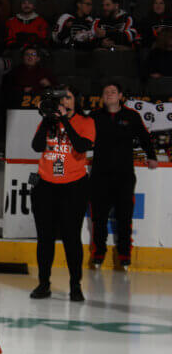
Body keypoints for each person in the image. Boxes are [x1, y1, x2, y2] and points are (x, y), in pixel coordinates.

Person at [30, 85, 95, 301]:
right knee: (45, 238)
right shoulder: (48, 121)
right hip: (45, 185)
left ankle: (75, 285)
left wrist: (65, 120)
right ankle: (43, 283)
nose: (64, 101)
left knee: (71, 238)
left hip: (74, 187)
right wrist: (47, 119)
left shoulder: (86, 122)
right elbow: (36, 146)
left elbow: (81, 146)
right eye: (61, 98)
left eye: (68, 97)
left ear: (76, 100)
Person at [88, 82, 158, 270]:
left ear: (120, 96)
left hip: (124, 176)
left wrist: (151, 156)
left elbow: (144, 137)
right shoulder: (93, 117)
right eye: (106, 92)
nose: (109, 94)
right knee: (99, 218)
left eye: (113, 92)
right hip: (100, 176)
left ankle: (124, 254)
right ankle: (98, 253)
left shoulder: (131, 116)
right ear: (102, 97)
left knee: (124, 218)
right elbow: (82, 138)